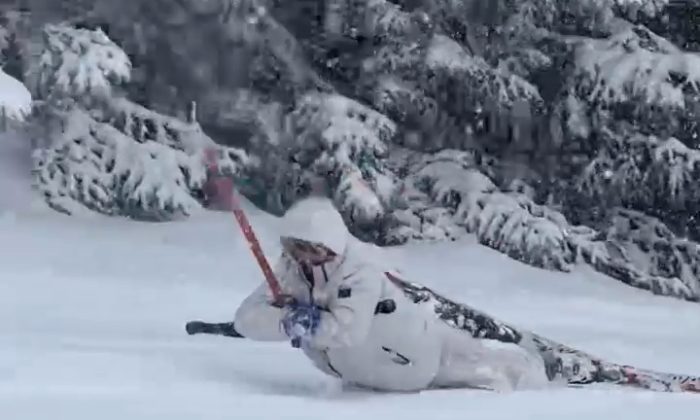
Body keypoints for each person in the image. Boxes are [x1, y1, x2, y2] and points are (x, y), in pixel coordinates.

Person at [233, 196, 552, 392]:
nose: (302, 258)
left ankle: (543, 373)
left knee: (485, 366)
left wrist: (311, 324)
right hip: (364, 373)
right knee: (473, 365)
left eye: (310, 250)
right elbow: (245, 319)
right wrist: (287, 321)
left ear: (328, 245)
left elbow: (349, 331)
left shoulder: (359, 269)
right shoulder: (290, 269)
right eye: (295, 248)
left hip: (410, 356)